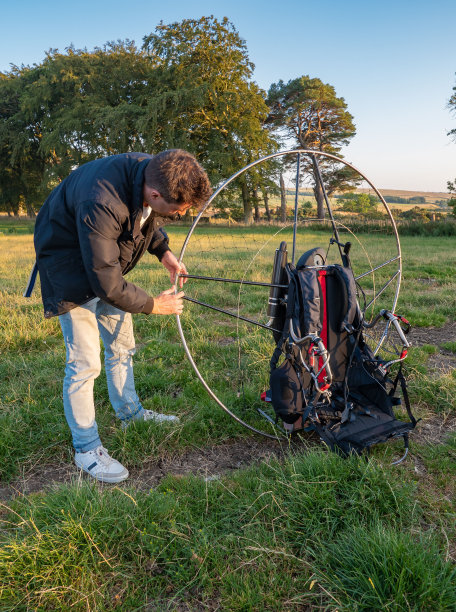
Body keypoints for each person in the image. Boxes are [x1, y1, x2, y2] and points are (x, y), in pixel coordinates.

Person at [32, 149, 212, 483]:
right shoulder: (101, 201)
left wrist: (165, 253)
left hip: (106, 265)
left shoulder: (151, 170)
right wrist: (154, 305)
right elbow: (107, 283)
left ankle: (130, 413)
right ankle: (86, 449)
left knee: (121, 346)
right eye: (179, 210)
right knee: (85, 364)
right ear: (155, 193)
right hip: (69, 269)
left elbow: (146, 217)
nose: (181, 214)